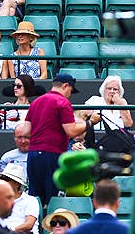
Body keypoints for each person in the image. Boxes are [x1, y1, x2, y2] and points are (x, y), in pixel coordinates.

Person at [16, 73, 88, 206]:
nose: (70, 95)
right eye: (70, 91)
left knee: (35, 200)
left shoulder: (36, 102)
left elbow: (25, 131)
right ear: (66, 86)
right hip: (52, 154)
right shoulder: (62, 102)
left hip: (33, 155)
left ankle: (36, 226)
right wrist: (87, 124)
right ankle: (51, 226)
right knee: (53, 200)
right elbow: (71, 131)